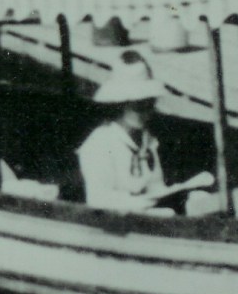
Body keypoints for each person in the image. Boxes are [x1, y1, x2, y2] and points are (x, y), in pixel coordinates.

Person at [77, 50, 215, 214]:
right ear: (121, 103)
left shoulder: (147, 140)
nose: (144, 111)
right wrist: (140, 203)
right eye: (137, 104)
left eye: (149, 103)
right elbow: (99, 200)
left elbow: (155, 187)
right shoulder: (99, 144)